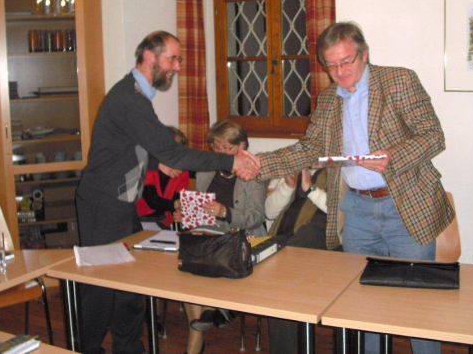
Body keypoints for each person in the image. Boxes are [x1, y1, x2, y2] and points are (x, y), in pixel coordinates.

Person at [257, 21, 454, 354]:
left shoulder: (398, 81)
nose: (340, 72)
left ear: (364, 55)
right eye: (331, 65)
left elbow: (433, 136)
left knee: (419, 305)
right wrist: (260, 164)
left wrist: (394, 156)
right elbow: (309, 148)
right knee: (363, 306)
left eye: (346, 61)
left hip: (404, 206)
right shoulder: (327, 100)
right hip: (358, 212)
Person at [75, 30, 260, 354]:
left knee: (130, 284)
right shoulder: (129, 99)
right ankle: (85, 349)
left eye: (179, 59)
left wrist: (155, 165)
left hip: (120, 204)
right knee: (101, 287)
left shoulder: (136, 95)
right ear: (150, 57)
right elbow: (173, 151)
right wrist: (231, 160)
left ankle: (128, 349)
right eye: (172, 59)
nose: (177, 66)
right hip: (102, 205)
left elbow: (124, 147)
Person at [183, 119, 267, 354]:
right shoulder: (206, 168)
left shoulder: (253, 173)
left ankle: (195, 345)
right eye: (217, 147)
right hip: (209, 236)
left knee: (196, 275)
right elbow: (201, 207)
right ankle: (213, 315)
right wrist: (188, 213)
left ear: (242, 146)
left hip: (242, 239)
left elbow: (255, 217)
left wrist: (225, 212)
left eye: (227, 148)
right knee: (189, 275)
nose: (221, 153)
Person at [265, 168, 329, 354]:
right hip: (284, 239)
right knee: (278, 282)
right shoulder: (295, 163)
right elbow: (269, 212)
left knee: (283, 272)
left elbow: (339, 213)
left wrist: (311, 189)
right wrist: (287, 187)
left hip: (319, 241)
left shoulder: (339, 167)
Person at [136, 126, 189, 229]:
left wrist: (181, 213)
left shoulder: (183, 172)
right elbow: (152, 201)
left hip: (163, 221)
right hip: (140, 218)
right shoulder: (148, 167)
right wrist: (176, 204)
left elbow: (178, 200)